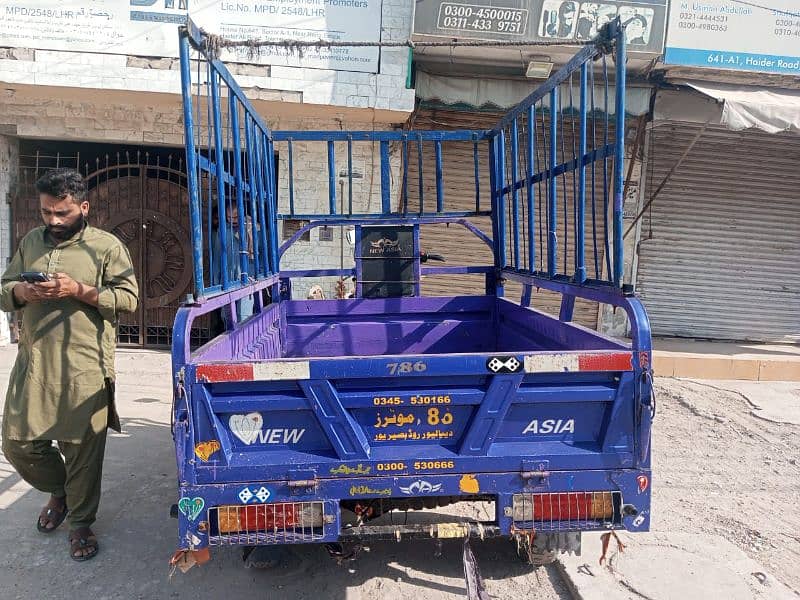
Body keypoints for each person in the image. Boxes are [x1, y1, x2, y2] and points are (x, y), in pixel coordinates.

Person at [0, 168, 139, 562]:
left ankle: (80, 524)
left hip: (84, 364)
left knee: (82, 450)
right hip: (36, 362)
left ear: (83, 206)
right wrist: (23, 292)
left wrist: (77, 290)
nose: (54, 221)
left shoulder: (106, 247)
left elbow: (128, 298)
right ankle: (60, 492)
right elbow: (3, 290)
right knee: (18, 443)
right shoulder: (30, 241)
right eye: (46, 212)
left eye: (62, 213)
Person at [212, 203, 255, 324]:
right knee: (227, 316)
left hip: (247, 278)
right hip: (227, 279)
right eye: (229, 217)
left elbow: (259, 254)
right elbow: (217, 256)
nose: (232, 221)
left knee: (244, 316)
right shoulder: (223, 230)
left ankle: (244, 343)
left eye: (236, 217)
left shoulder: (254, 228)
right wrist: (216, 281)